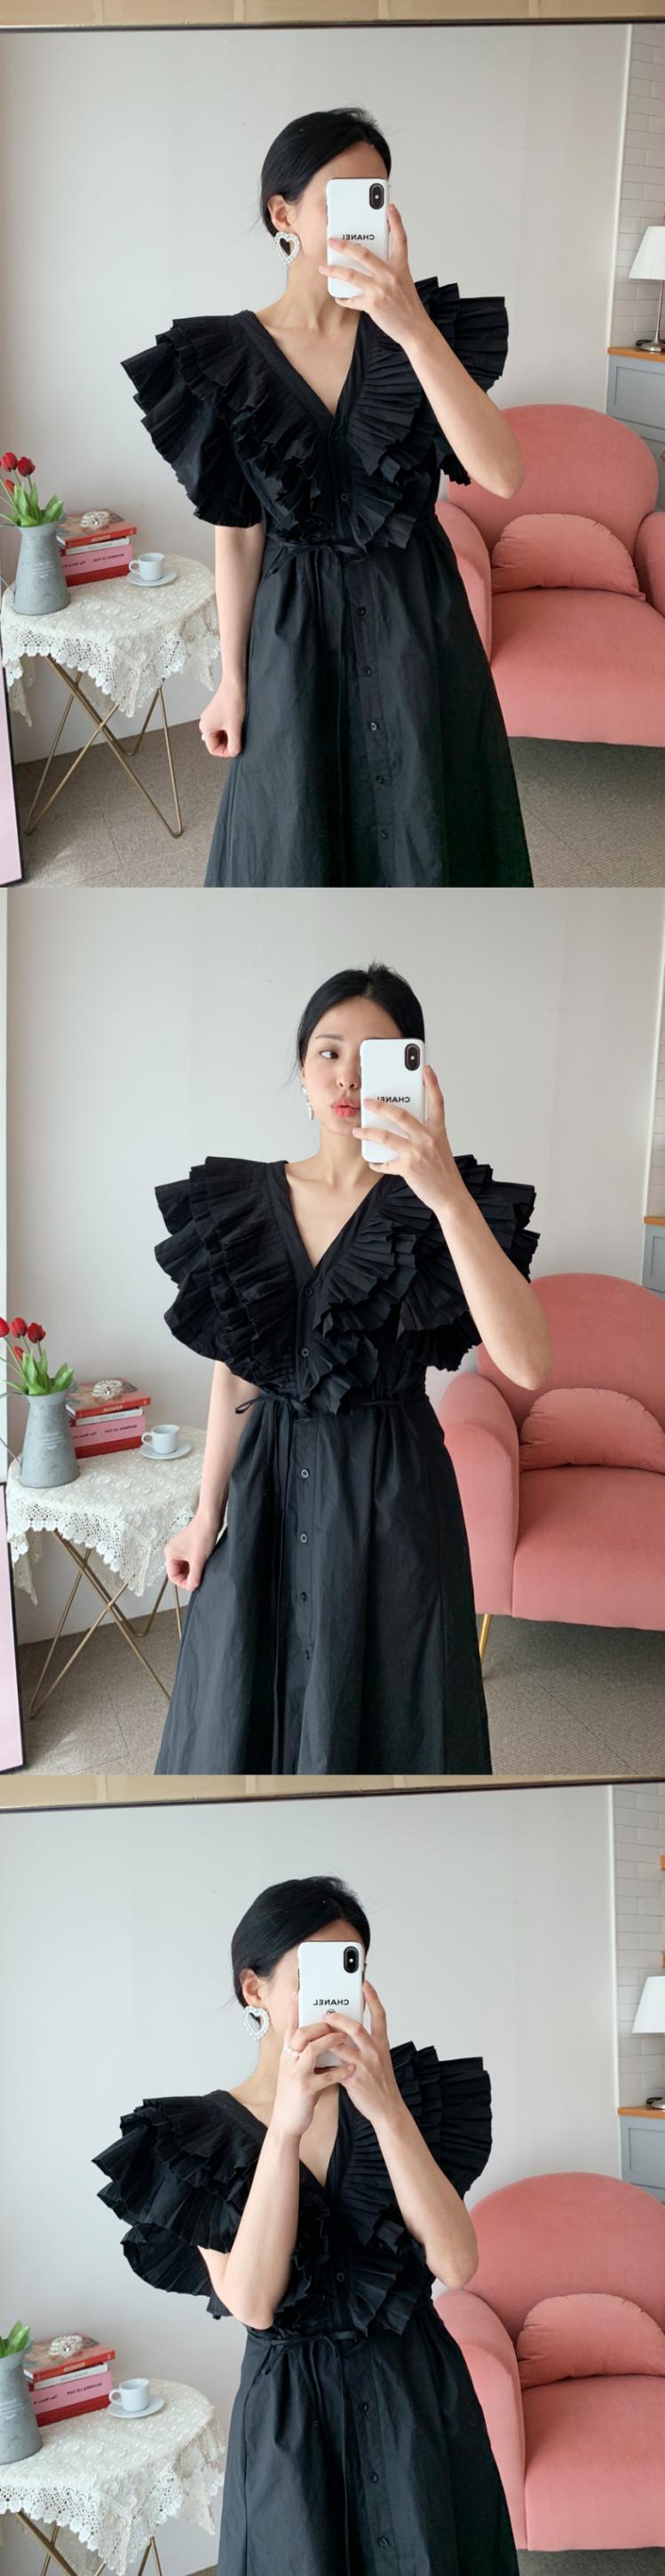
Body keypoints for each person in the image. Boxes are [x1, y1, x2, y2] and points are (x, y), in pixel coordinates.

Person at [95, 1875, 533, 2576]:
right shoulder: (194, 2137)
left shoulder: (406, 2099)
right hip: (293, 2418)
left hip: (415, 2392)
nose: (338, 1994)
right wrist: (286, 2128)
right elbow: (254, 2301)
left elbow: (457, 2262)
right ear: (254, 1988)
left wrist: (385, 2106)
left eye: (351, 1967)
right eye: (312, 1972)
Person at [153, 960, 548, 1776]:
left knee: (391, 1706)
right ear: (301, 1073)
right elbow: (237, 1371)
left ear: (414, 1074)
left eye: (376, 1057)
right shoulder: (241, 1203)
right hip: (264, 1492)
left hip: (390, 1495)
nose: (347, 1077)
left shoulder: (440, 1204)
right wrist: (204, 1513)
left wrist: (444, 1193)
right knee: (238, 1707)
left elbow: (528, 1362)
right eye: (328, 1052)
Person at [123, 105, 533, 887]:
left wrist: (412, 328)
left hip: (418, 620)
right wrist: (232, 679)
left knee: (426, 828)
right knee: (292, 837)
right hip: (292, 633)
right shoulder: (223, 359)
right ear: (283, 214)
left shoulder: (417, 334)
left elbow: (504, 475)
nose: (363, 218)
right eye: (342, 197)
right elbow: (238, 532)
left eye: (376, 196)